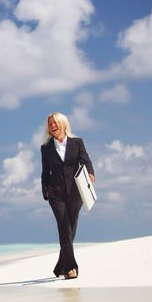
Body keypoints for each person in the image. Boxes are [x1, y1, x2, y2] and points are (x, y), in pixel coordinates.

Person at [40, 112, 95, 279]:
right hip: (56, 194)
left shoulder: (77, 143)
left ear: (63, 124)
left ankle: (60, 266)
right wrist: (46, 191)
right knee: (64, 227)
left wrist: (91, 173)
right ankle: (71, 267)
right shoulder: (46, 148)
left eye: (55, 123)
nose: (52, 126)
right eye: (50, 124)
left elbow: (86, 161)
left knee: (71, 229)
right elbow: (45, 172)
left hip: (76, 192)